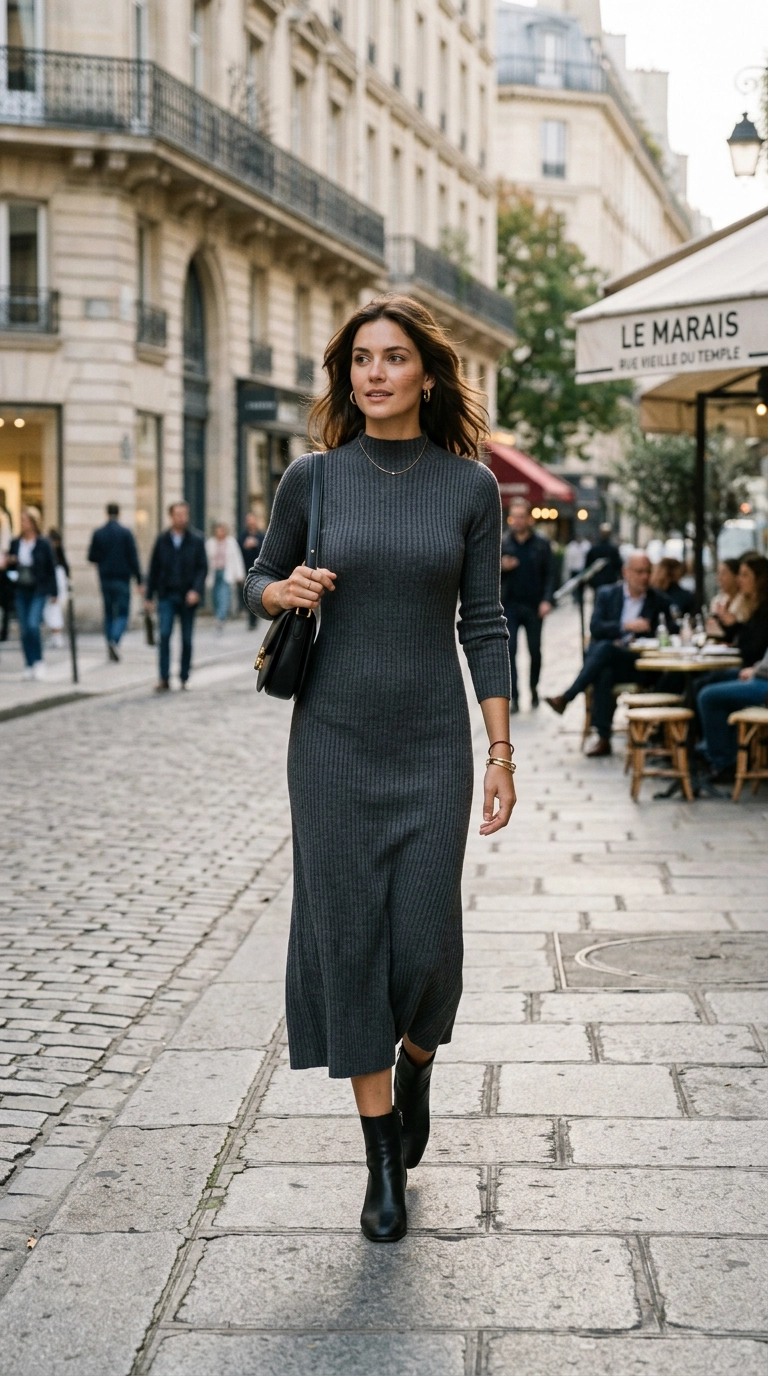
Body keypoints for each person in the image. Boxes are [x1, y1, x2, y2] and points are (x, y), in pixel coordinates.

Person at [244, 294, 514, 1243]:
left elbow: (483, 623)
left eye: (394, 358)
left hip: (432, 743)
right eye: (361, 359)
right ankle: (381, 1160)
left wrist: (501, 752)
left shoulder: (468, 489)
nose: (374, 373)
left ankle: (419, 1061)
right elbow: (255, 577)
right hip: (330, 745)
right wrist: (280, 587)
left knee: (428, 942)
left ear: (427, 376)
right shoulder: (312, 480)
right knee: (350, 937)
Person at [546, 550, 676, 756]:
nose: (644, 577)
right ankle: (603, 737)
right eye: (639, 572)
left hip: (639, 663)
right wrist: (626, 626)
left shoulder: (658, 600)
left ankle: (568, 697)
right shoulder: (607, 594)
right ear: (626, 572)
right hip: (613, 661)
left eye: (647, 572)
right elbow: (596, 627)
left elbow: (671, 631)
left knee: (603, 650)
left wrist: (647, 634)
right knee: (604, 668)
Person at [145, 501, 207, 692]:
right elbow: (153, 569)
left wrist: (196, 590)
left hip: (188, 596)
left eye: (184, 514)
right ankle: (164, 678)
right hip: (167, 595)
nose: (181, 518)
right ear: (171, 516)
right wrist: (149, 596)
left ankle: (184, 676)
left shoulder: (196, 540)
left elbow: (202, 568)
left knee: (187, 639)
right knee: (164, 635)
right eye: (178, 514)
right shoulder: (162, 540)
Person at [500, 498, 555, 711]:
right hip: (510, 605)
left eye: (522, 516)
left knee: (535, 651)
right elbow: (487, 570)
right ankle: (514, 696)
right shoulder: (503, 542)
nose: (518, 521)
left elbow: (551, 574)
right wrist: (502, 566)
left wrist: (547, 600)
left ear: (529, 518)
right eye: (514, 517)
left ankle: (534, 690)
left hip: (534, 606)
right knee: (509, 651)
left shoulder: (541, 543)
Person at [697, 645, 768, 782]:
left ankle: (723, 763)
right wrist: (755, 668)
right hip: (761, 677)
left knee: (708, 697)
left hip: (764, 685)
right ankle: (713, 750)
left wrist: (756, 670)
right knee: (713, 679)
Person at [2, 506, 57, 680]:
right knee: (25, 630)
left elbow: (51, 568)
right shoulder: (16, 542)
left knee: (33, 625)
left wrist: (54, 592)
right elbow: (9, 565)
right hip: (21, 589)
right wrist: (10, 561)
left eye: (25, 520)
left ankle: (39, 661)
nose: (22, 523)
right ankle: (29, 664)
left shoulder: (43, 543)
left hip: (38, 590)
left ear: (33, 522)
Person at [88, 503, 143, 661]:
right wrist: (139, 580)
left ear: (106, 513)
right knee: (123, 613)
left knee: (109, 613)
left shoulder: (99, 533)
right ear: (119, 514)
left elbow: (92, 556)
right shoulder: (125, 533)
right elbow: (133, 557)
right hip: (122, 578)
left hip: (105, 578)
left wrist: (103, 560)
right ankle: (115, 639)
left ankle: (110, 642)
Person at [205, 521, 245, 630]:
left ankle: (220, 617)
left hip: (226, 572)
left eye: (221, 530)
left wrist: (239, 574)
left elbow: (237, 558)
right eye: (218, 530)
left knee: (224, 595)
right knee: (215, 596)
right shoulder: (210, 543)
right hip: (214, 572)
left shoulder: (231, 542)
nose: (219, 532)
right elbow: (206, 560)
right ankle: (218, 614)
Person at [706, 558, 748, 638]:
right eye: (718, 573)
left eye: (724, 573)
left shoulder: (747, 601)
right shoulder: (717, 601)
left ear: (736, 576)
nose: (719, 578)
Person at [44, 527, 70, 649]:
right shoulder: (53, 552)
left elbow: (64, 568)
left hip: (57, 580)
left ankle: (57, 636)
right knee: (51, 610)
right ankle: (55, 636)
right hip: (55, 579)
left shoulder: (56, 554)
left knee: (54, 608)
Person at [239, 512, 265, 628]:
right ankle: (251, 619)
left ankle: (254, 617)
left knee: (256, 591)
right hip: (245, 568)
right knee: (247, 593)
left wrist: (256, 544)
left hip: (259, 569)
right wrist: (245, 546)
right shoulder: (242, 536)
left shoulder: (261, 536)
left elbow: (266, 551)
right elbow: (238, 551)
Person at [583, 522, 622, 592]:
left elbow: (587, 566)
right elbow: (618, 566)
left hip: (599, 582)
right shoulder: (613, 549)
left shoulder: (594, 549)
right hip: (608, 581)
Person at [0, 488, 13, 641]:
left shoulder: (4, 516)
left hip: (1, 565)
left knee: (3, 601)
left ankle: (3, 631)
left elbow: (5, 543)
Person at [563, 532, 591, 603]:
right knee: (574, 585)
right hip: (574, 569)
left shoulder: (586, 545)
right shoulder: (571, 546)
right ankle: (575, 598)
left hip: (582, 569)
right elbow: (568, 559)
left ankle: (580, 597)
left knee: (582, 586)